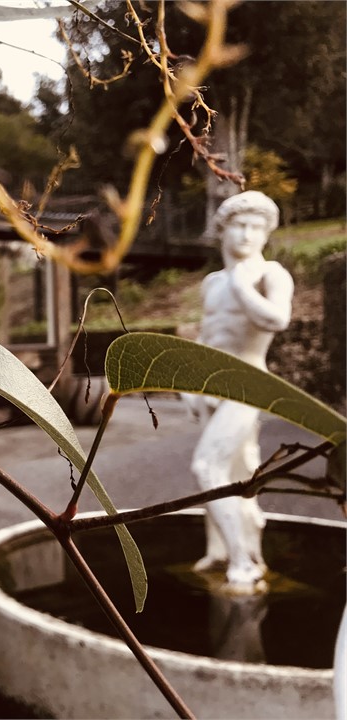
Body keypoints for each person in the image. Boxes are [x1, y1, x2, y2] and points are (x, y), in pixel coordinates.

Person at [189, 190, 293, 592]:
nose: (248, 235)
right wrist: (191, 388)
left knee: (207, 467)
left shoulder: (270, 274)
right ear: (222, 231)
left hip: (248, 384)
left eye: (257, 228)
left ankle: (243, 563)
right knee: (239, 471)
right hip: (210, 386)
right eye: (240, 226)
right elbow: (206, 334)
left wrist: (242, 285)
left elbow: (277, 320)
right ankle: (220, 549)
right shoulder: (211, 283)